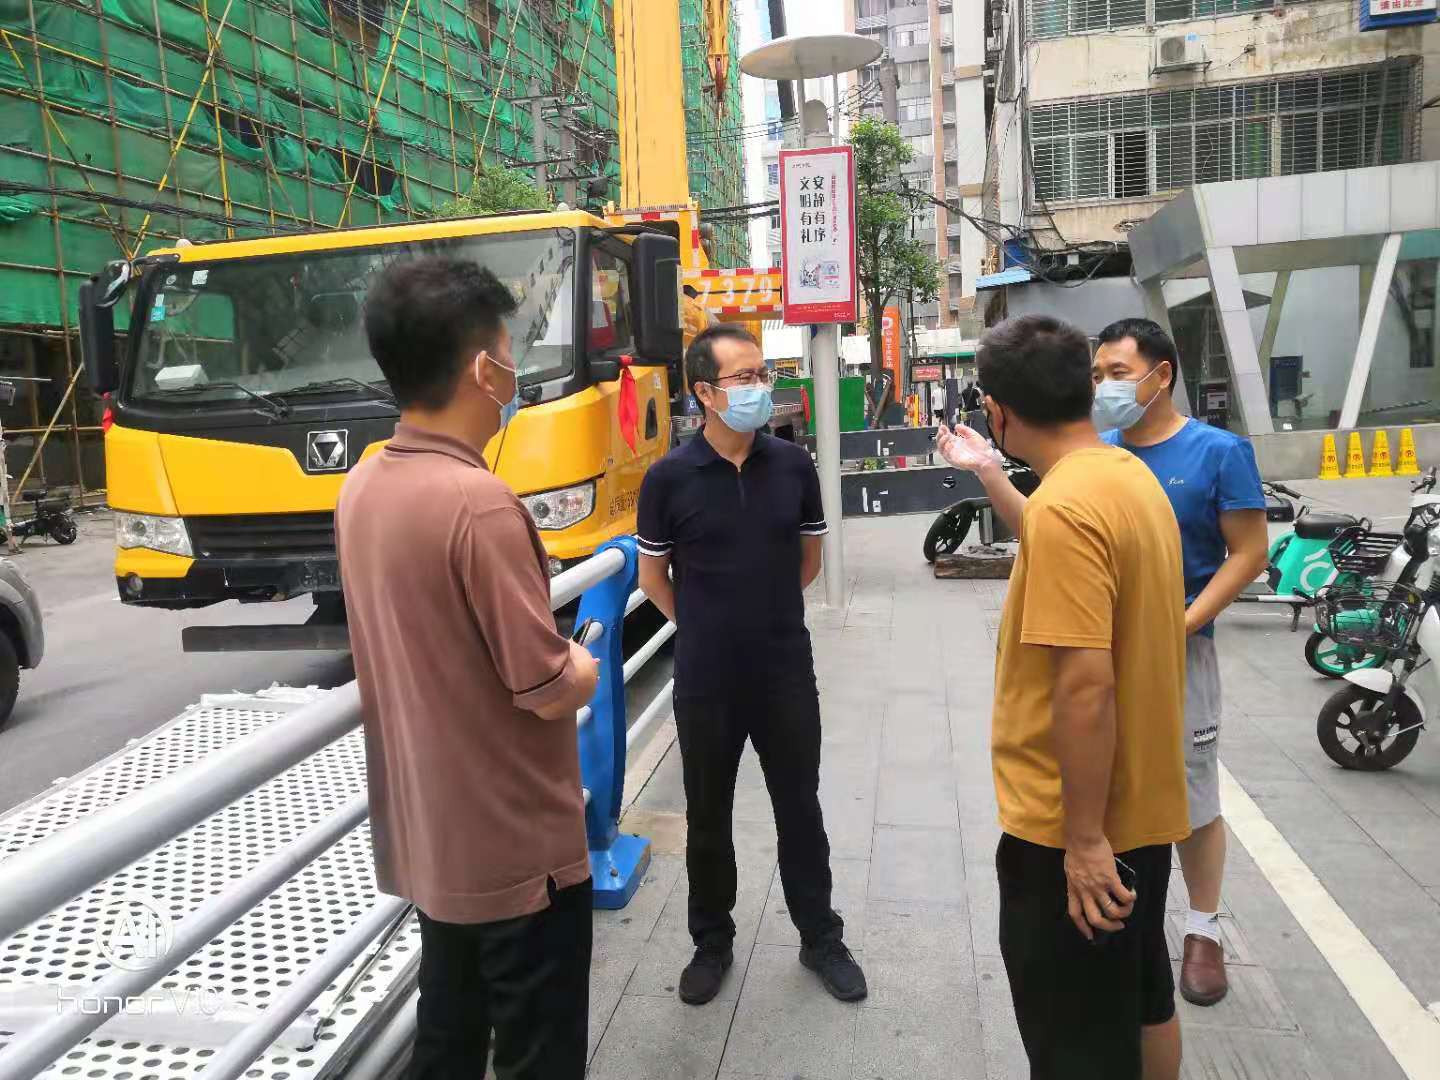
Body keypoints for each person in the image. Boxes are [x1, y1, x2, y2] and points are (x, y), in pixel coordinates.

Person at [336, 257, 601, 1079]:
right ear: (485, 371)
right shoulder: (479, 504)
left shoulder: (361, 486)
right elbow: (544, 685)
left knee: (448, 1040)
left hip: (435, 840)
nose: (514, 375)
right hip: (519, 852)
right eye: (509, 355)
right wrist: (583, 662)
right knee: (537, 1055)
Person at [936, 315, 1190, 1080]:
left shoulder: (1066, 507)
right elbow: (1058, 539)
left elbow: (1084, 687)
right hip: (1141, 809)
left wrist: (1082, 842)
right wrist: (991, 474)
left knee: (1077, 1043)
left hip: (1075, 828)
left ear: (996, 410)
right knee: (1144, 998)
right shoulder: (1123, 476)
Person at [636, 324, 866, 1006]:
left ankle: (820, 936)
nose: (760, 388)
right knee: (708, 813)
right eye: (744, 378)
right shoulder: (668, 478)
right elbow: (653, 578)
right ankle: (711, 942)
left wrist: (763, 614)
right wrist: (707, 624)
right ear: (704, 393)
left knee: (800, 806)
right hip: (706, 678)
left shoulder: (792, 466)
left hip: (784, 668)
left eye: (763, 374)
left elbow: (809, 560)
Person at [1091, 318, 1268, 1006]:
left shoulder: (1219, 451)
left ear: (1160, 375)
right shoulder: (1101, 453)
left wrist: (1185, 623)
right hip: (1105, 654)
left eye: (1117, 373)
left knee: (1192, 794)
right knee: (1109, 781)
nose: (1104, 387)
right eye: (1098, 375)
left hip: (1181, 653)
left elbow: (1248, 552)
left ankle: (1202, 929)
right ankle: (1116, 909)